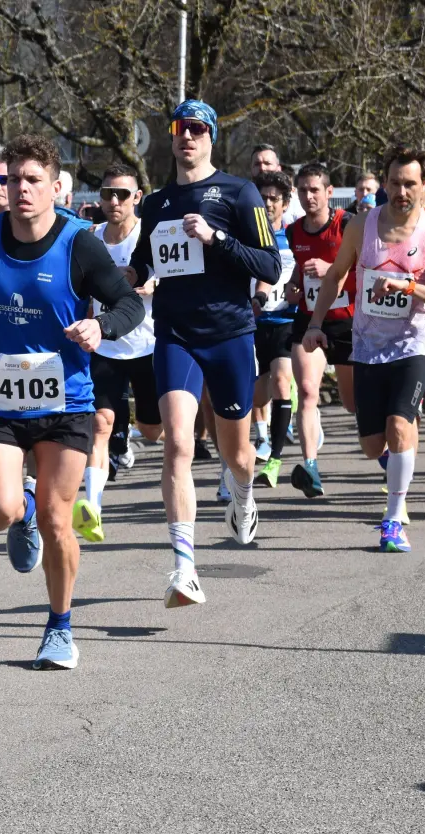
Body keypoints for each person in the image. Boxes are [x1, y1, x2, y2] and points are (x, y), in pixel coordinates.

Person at [0, 134, 144, 669]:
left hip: (66, 400)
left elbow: (128, 304)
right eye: (11, 180)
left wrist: (101, 326)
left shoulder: (79, 242)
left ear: (56, 188)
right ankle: (19, 510)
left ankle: (59, 627)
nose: (20, 189)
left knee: (59, 521)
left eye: (32, 180)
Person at [127, 99, 281, 608]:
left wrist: (214, 239)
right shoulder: (156, 204)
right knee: (177, 443)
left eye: (197, 128)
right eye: (179, 128)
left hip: (230, 335)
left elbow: (269, 265)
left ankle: (243, 496)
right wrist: (97, 288)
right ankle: (185, 567)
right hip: (175, 335)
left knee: (238, 456)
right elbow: (139, 267)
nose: (186, 137)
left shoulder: (240, 192)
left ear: (211, 136)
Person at [303, 147, 425, 552]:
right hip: (366, 348)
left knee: (400, 426)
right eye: (394, 182)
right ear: (385, 182)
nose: (401, 191)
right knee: (374, 444)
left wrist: (409, 286)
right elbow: (336, 276)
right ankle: (396, 469)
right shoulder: (361, 225)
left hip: (413, 345)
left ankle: (393, 519)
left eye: (410, 183)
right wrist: (315, 325)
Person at [77, 163, 159, 543]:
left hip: (148, 345)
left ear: (137, 197)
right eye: (108, 193)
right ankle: (92, 508)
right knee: (100, 424)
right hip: (104, 344)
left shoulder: (151, 236)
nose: (114, 201)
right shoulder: (90, 237)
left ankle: (132, 441)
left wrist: (152, 282)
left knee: (153, 429)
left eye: (122, 194)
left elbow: (176, 273)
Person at [285, 163, 358, 498]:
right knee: (308, 391)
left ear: (330, 192)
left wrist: (333, 270)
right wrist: (293, 286)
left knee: (350, 402)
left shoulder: (347, 224)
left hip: (346, 320)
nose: (309, 196)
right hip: (308, 319)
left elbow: (367, 268)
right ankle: (310, 466)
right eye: (303, 190)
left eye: (315, 189)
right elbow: (300, 273)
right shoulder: (294, 230)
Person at [250, 168, 298, 488]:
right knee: (255, 397)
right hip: (252, 324)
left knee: (283, 381)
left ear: (284, 203)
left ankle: (275, 458)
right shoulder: (246, 235)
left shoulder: (294, 236)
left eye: (274, 199)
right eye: (262, 198)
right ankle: (262, 436)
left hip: (285, 322)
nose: (268, 204)